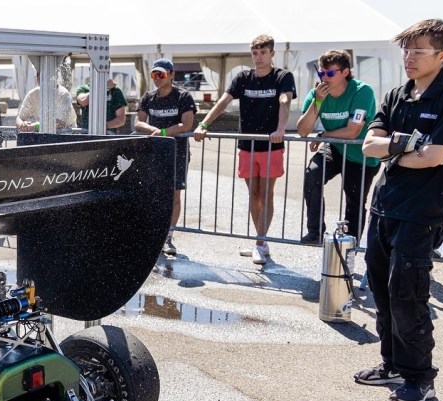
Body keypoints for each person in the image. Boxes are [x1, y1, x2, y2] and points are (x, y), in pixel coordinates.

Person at [355, 19, 443, 401]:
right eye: (406, 49)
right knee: (381, 289)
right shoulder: (397, 95)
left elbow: (435, 156)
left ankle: (419, 377)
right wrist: (407, 147)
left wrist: (393, 149)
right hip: (384, 205)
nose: (409, 57)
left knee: (407, 294)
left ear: (442, 55)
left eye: (419, 51)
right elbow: (368, 145)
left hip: (422, 212)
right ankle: (391, 364)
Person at [194, 35, 295, 265]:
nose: (258, 57)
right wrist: (204, 124)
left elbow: (285, 100)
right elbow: (223, 101)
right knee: (254, 194)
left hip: (271, 146)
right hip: (247, 145)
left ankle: (259, 242)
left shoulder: (282, 76)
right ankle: (261, 241)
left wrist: (281, 128)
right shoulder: (243, 77)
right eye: (255, 53)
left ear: (272, 54)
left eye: (263, 52)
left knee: (266, 193)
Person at [295, 50, 380, 244]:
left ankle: (349, 246)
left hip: (361, 154)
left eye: (330, 73)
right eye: (321, 72)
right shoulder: (316, 94)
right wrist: (317, 101)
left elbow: (353, 131)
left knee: (354, 200)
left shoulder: (362, 91)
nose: (324, 77)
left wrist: (323, 135)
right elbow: (303, 131)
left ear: (345, 72)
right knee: (312, 176)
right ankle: (315, 231)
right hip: (335, 148)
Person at [134, 58, 197, 256]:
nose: (157, 78)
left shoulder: (183, 96)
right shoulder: (148, 97)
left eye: (161, 74)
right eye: (154, 74)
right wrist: (153, 130)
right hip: (154, 152)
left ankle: (168, 236)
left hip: (177, 151)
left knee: (174, 194)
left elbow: (186, 125)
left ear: (171, 75)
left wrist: (162, 132)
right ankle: (155, 234)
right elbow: (138, 123)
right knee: (153, 193)